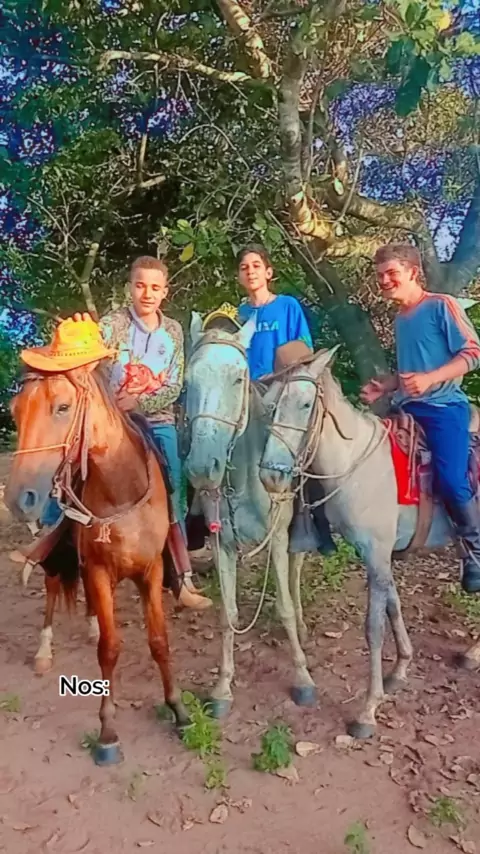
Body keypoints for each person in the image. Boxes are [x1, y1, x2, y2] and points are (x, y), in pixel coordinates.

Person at [199, 244, 337, 556]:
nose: (250, 271)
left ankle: (315, 523)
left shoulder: (287, 306)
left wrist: (281, 376)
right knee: (213, 437)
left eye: (256, 266)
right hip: (246, 393)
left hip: (281, 389)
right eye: (244, 267)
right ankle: (208, 518)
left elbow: (302, 349)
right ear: (239, 276)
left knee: (304, 450)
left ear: (268, 272)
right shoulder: (236, 314)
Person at [361, 242, 480, 594]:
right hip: (407, 410)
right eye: (380, 275)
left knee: (451, 479)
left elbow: (473, 352)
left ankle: (474, 552)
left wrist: (431, 379)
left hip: (444, 409)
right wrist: (387, 385)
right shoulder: (401, 318)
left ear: (413, 272)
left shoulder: (442, 305)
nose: (384, 281)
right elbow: (413, 371)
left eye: (391, 273)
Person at [99, 255, 212, 610]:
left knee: (172, 487)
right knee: (77, 468)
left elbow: (174, 384)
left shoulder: (173, 331)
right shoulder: (111, 324)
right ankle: (50, 543)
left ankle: (182, 578)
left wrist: (140, 402)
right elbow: (91, 359)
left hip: (158, 420)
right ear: (129, 288)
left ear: (165, 291)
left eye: (155, 287)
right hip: (112, 418)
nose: (147, 293)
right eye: (140, 285)